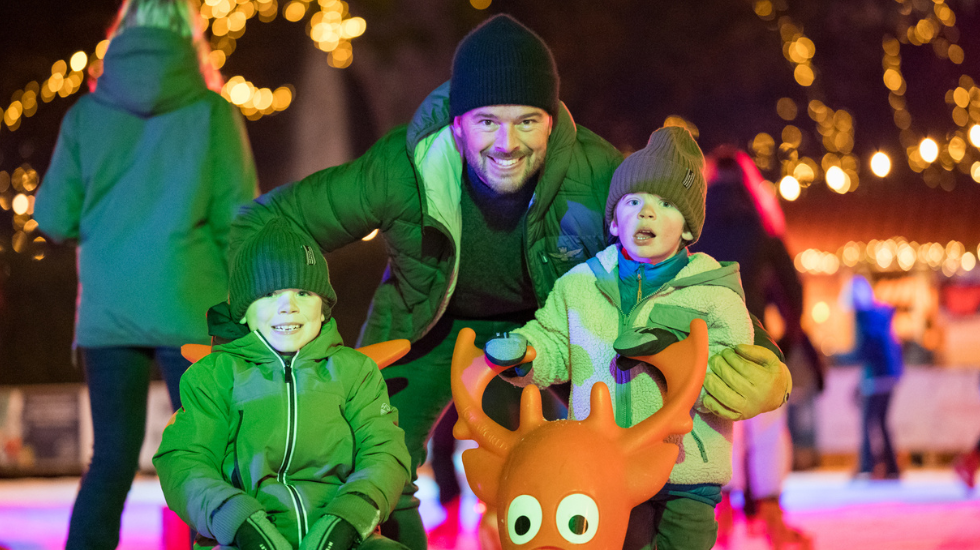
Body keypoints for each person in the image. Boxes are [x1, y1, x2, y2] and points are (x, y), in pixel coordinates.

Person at [227, 14, 792, 549]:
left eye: (527, 121)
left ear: (552, 118)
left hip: (549, 322)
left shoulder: (593, 178)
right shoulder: (403, 170)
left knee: (590, 463)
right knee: (372, 455)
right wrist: (249, 324)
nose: (507, 143)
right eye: (487, 122)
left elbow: (687, 270)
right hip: (429, 324)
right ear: (457, 124)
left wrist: (764, 361)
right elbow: (266, 222)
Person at [32, 0, 258, 547]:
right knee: (205, 460)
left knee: (110, 460)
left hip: (109, 313)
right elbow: (241, 215)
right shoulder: (211, 112)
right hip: (191, 309)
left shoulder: (85, 115)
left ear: (123, 33)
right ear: (190, 36)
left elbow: (52, 216)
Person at [484, 126, 754, 550]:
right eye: (634, 202)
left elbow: (726, 373)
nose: (647, 213)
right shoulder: (580, 286)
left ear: (687, 228)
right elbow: (556, 341)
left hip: (688, 472)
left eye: (665, 204)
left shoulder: (713, 294)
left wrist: (676, 362)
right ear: (614, 220)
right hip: (608, 466)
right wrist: (529, 354)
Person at [153, 218, 412, 550]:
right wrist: (238, 521)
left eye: (303, 292)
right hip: (241, 541)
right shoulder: (216, 375)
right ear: (244, 312)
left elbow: (384, 451)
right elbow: (185, 459)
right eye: (269, 294)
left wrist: (347, 520)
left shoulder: (355, 372)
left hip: (346, 538)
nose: (288, 306)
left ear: (323, 309)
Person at [692, 147, 814, 549]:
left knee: (717, 427)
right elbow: (791, 287)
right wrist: (788, 335)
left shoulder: (696, 225)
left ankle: (720, 515)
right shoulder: (761, 224)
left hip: (707, 342)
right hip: (754, 337)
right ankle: (772, 517)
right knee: (765, 428)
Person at [840, 274, 903, 480]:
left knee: (869, 420)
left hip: (876, 376)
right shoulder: (879, 315)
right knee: (881, 421)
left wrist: (836, 357)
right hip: (888, 374)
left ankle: (868, 465)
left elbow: (864, 351)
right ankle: (891, 467)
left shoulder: (864, 317)